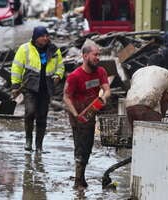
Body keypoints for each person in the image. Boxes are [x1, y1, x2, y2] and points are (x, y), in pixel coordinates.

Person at [63, 44, 111, 189]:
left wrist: (103, 98)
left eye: (99, 55)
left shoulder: (100, 71)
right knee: (80, 147)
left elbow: (107, 89)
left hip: (90, 113)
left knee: (88, 146)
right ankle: (78, 181)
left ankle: (81, 177)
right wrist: (76, 114)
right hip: (77, 116)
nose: (98, 58)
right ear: (85, 56)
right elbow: (66, 97)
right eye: (95, 55)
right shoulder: (75, 76)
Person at [11, 26, 65, 152]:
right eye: (42, 36)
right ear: (36, 38)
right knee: (30, 112)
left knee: (42, 116)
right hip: (30, 87)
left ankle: (39, 145)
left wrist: (58, 75)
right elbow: (16, 68)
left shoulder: (54, 50)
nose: (45, 38)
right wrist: (15, 85)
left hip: (46, 88)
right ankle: (28, 140)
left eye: (47, 36)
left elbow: (60, 66)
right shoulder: (24, 49)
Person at [125, 65, 168, 131]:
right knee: (152, 136)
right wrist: (162, 117)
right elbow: (165, 100)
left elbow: (134, 89)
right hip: (147, 105)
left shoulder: (137, 72)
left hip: (129, 105)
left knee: (136, 136)